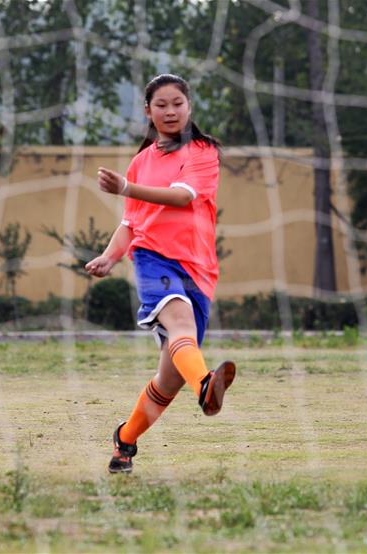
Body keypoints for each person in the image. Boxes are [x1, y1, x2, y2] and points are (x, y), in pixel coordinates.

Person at [85, 73, 236, 474]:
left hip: (199, 271)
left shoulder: (202, 152)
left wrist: (126, 188)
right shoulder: (140, 161)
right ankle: (205, 383)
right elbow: (132, 225)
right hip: (153, 259)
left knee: (167, 381)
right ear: (148, 111)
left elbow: (181, 196)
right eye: (161, 105)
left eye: (178, 104)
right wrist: (110, 256)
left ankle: (125, 440)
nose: (170, 111)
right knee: (180, 325)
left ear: (189, 108)